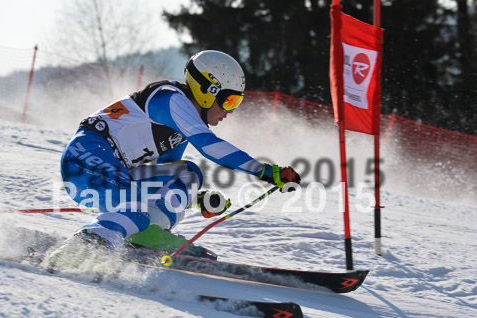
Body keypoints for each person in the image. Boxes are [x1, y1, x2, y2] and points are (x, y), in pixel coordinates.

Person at [50, 50, 300, 267]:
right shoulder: (171, 99)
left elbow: (162, 179)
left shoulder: (183, 126)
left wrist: (195, 199)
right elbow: (209, 145)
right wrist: (266, 171)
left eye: (237, 102)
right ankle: (81, 248)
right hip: (84, 162)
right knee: (135, 210)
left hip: (116, 173)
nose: (230, 111)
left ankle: (148, 234)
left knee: (187, 174)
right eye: (229, 100)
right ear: (207, 91)